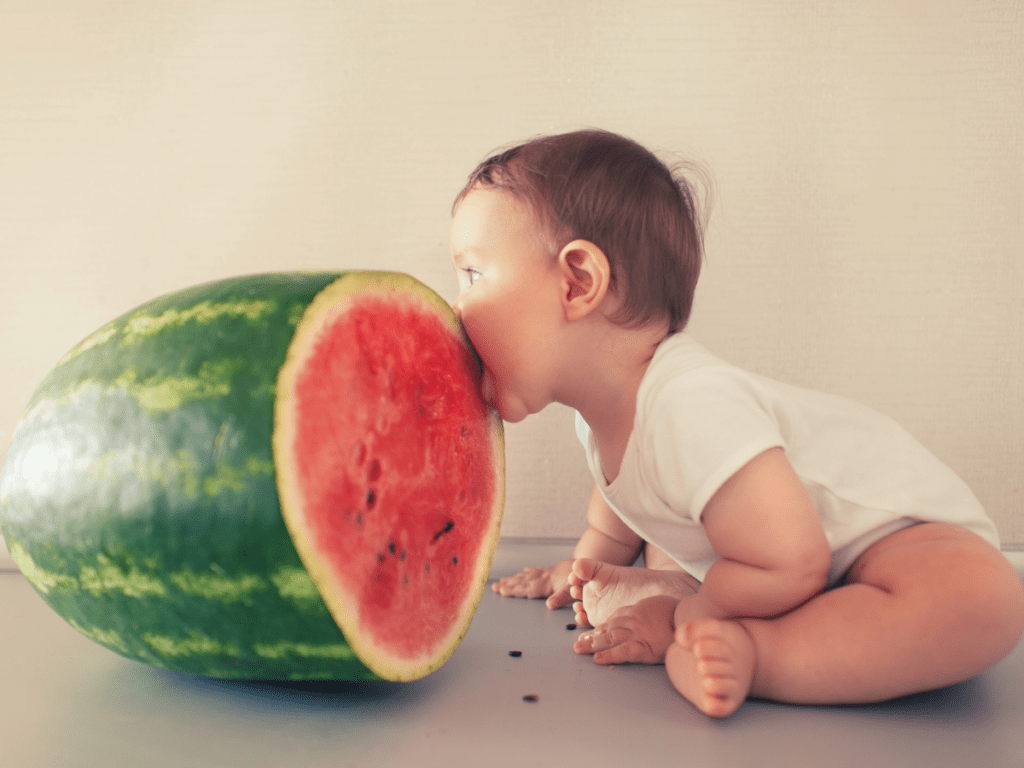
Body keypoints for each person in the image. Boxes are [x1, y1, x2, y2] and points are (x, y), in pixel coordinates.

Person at [448, 128, 1024, 718]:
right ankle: (685, 601)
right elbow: (620, 506)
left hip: (901, 544)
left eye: (472, 274)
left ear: (578, 283)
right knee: (693, 549)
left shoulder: (691, 404)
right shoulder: (599, 419)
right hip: (783, 569)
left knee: (989, 599)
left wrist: (700, 615)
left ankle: (755, 650)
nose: (456, 307)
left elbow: (794, 560)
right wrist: (582, 566)